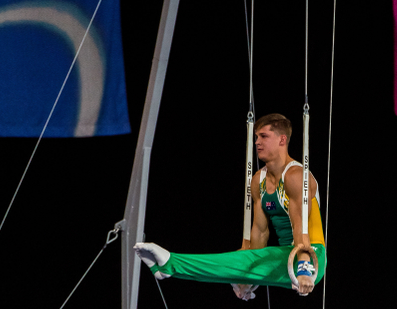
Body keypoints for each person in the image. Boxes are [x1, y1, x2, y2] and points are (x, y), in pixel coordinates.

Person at [135, 113, 326, 297]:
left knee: (240, 261)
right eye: (256, 136)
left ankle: (171, 263)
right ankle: (167, 270)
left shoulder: (296, 177)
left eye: (264, 136)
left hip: (310, 255)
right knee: (236, 260)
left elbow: (301, 230)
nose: (257, 142)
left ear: (282, 140)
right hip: (282, 256)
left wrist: (304, 269)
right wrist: (246, 278)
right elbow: (259, 234)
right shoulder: (258, 180)